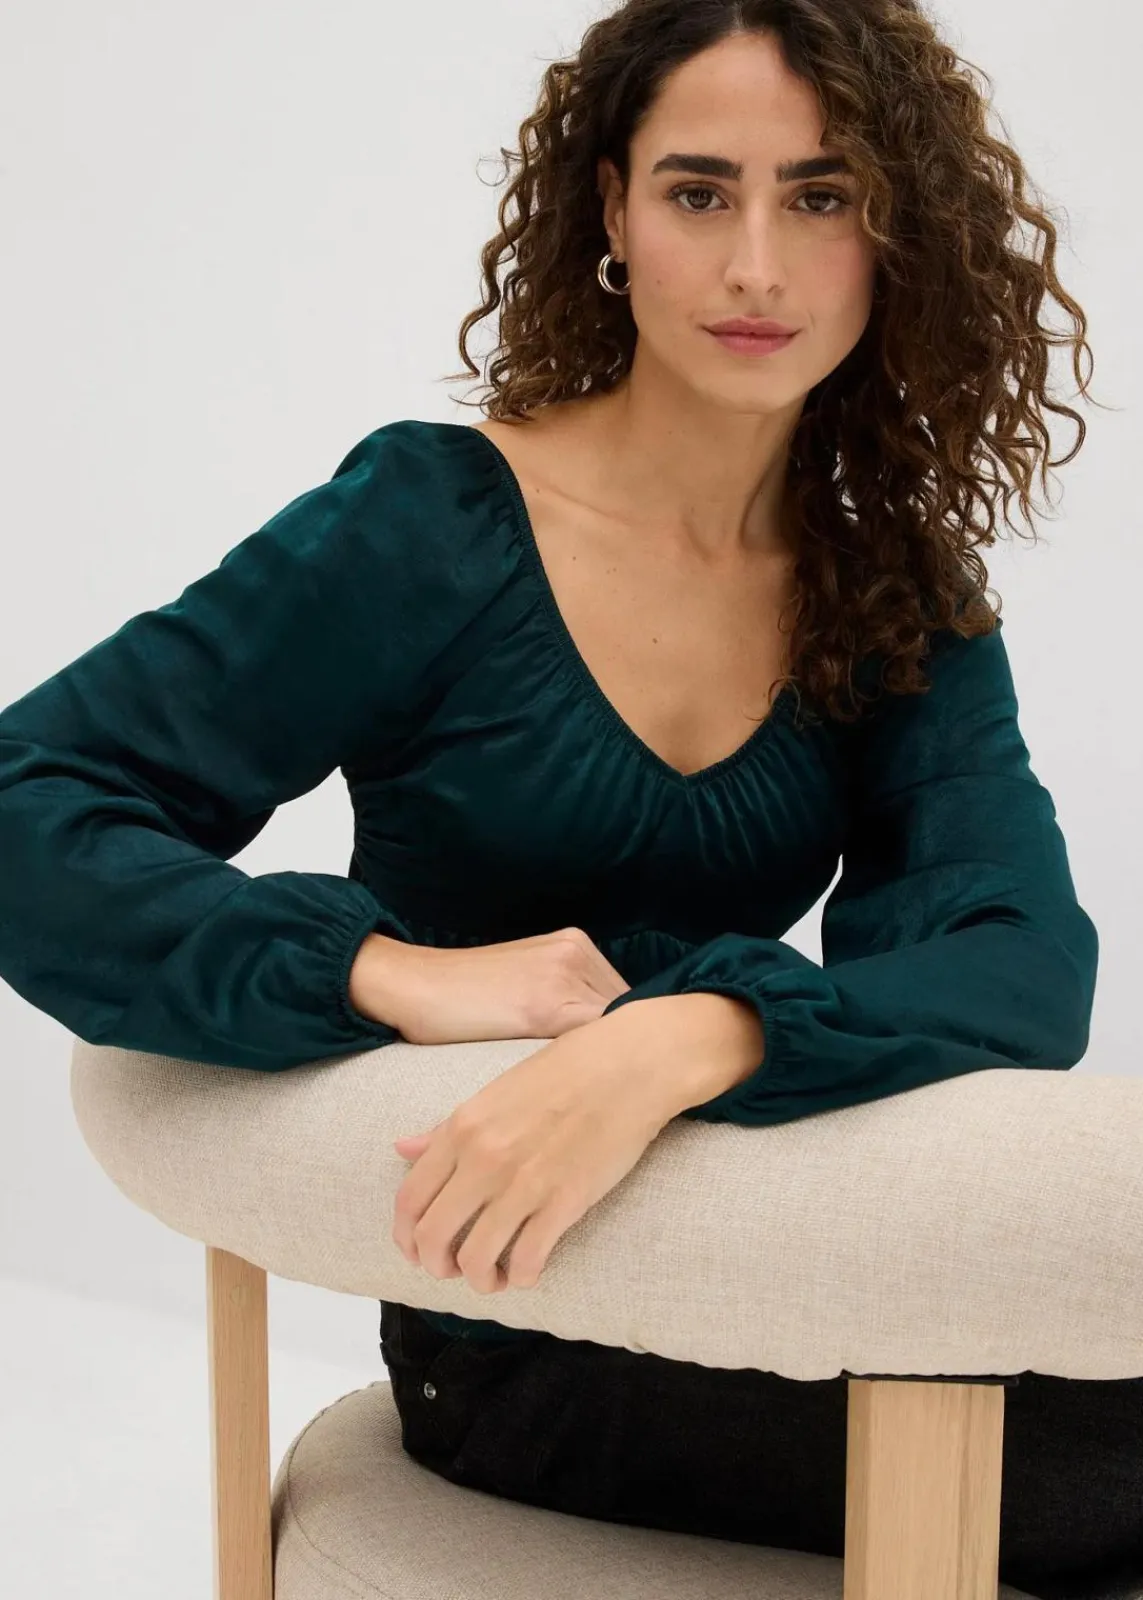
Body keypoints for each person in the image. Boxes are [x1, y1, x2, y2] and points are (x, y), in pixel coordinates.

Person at [0, 2, 1133, 1595]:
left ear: (894, 236)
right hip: (517, 1327)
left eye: (819, 196)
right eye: (697, 192)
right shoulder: (429, 524)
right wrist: (380, 972)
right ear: (610, 212)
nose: (756, 266)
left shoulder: (890, 593)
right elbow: (31, 802)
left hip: (782, 1263)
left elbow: (1018, 963)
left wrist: (692, 1033)